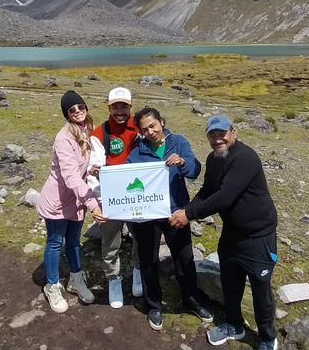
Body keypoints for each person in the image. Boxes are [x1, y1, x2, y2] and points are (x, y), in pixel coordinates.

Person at [169, 115, 278, 350]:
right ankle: (234, 324)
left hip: (258, 235)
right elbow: (208, 190)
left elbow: (225, 196)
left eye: (222, 134)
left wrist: (189, 214)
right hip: (232, 233)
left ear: (233, 133)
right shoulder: (214, 158)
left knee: (260, 289)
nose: (218, 139)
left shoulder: (245, 158)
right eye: (213, 135)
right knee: (230, 282)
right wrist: (185, 209)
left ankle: (268, 337)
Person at [126, 107, 212, 331]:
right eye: (144, 130)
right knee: (148, 260)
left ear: (161, 122)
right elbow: (125, 180)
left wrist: (183, 163)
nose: (150, 132)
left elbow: (195, 170)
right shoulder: (137, 153)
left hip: (176, 213)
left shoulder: (178, 142)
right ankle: (153, 305)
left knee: (184, 258)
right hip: (148, 216)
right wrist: (102, 174)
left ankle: (192, 301)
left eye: (153, 126)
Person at [36, 90, 107, 313]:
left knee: (74, 240)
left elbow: (83, 164)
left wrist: (92, 168)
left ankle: (76, 279)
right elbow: (70, 177)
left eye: (80, 106)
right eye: (71, 109)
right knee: (55, 241)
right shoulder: (64, 138)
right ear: (67, 114)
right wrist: (93, 204)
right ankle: (52, 285)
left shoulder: (86, 130)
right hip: (58, 200)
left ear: (86, 108)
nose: (77, 111)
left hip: (76, 199)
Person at [87, 87, 142, 309]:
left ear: (130, 107)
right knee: (110, 242)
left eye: (124, 106)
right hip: (111, 198)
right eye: (115, 107)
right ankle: (113, 279)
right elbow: (94, 168)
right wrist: (99, 202)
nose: (120, 111)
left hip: (137, 196)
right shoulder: (99, 134)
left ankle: (138, 269)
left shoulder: (141, 128)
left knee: (140, 236)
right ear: (109, 108)